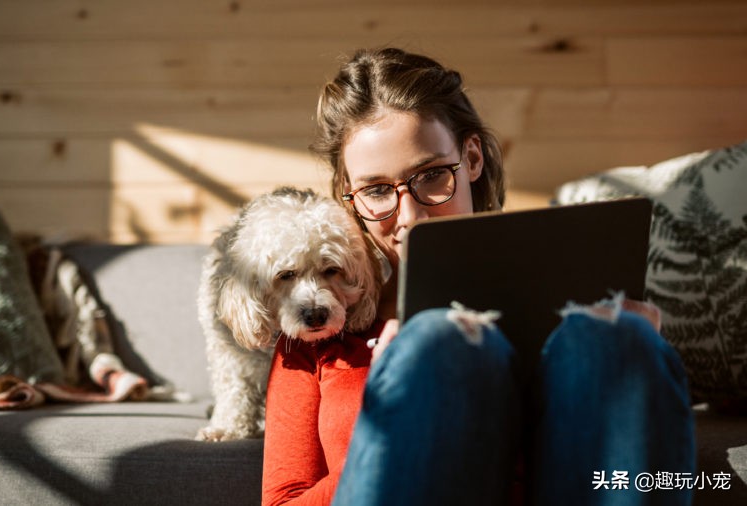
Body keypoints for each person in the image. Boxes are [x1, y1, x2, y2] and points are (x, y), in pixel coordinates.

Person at [261, 47, 695, 506]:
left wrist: (641, 367)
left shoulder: (577, 325)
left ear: (471, 159)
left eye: (430, 176)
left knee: (617, 337)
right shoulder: (316, 333)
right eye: (376, 190)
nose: (410, 216)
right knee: (438, 343)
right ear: (349, 197)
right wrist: (395, 421)